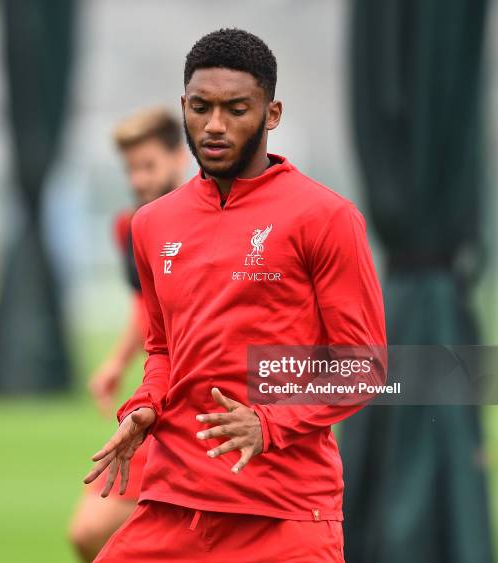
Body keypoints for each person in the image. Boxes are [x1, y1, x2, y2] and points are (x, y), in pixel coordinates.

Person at [84, 28, 387, 562]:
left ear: (272, 114)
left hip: (285, 517)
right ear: (183, 107)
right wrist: (146, 405)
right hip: (173, 507)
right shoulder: (152, 223)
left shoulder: (326, 217)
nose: (215, 126)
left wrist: (270, 422)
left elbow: (363, 365)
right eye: (200, 107)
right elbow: (163, 351)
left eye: (236, 108)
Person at [69, 107, 188, 562]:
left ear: (179, 157)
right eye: (131, 169)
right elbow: (148, 307)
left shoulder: (217, 218)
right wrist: (117, 363)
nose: (138, 179)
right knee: (88, 533)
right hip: (160, 401)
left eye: (148, 165)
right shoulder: (132, 227)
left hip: (209, 399)